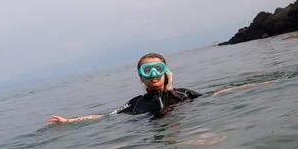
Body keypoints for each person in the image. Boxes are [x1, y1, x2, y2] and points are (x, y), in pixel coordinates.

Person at [48, 52, 203, 124]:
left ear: (166, 72)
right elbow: (105, 116)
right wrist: (69, 120)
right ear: (140, 76)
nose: (153, 74)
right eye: (147, 70)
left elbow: (214, 95)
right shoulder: (136, 103)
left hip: (183, 127)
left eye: (158, 68)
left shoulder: (183, 94)